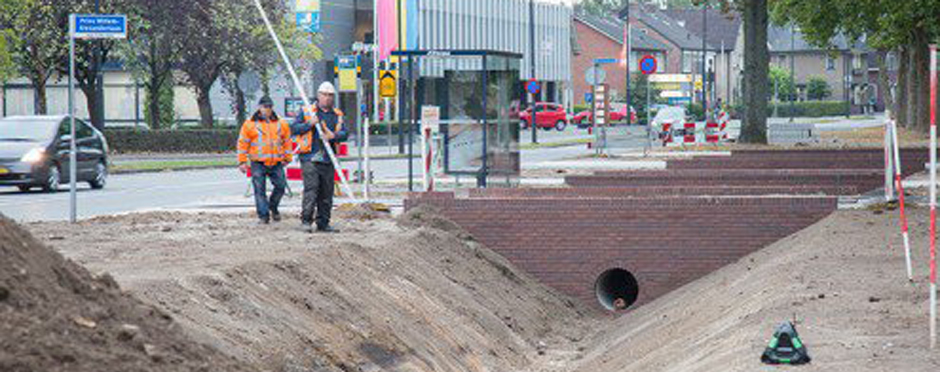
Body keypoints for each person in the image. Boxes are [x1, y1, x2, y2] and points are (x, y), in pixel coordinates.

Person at [291, 82, 347, 233]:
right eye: (324, 95)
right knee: (312, 189)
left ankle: (323, 222)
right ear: (318, 95)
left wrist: (333, 136)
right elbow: (294, 128)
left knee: (326, 192)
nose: (327, 98)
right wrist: (310, 124)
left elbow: (345, 133)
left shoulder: (337, 114)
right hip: (310, 157)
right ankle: (306, 221)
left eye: (330, 95)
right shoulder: (307, 111)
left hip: (328, 158)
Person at [237, 96, 292, 224]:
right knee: (259, 191)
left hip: (276, 162)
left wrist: (287, 157)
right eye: (265, 107)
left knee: (280, 187)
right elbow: (242, 143)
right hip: (258, 162)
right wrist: (242, 161)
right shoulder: (249, 124)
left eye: (269, 107)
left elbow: (287, 141)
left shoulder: (281, 123)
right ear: (259, 107)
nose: (267, 109)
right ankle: (263, 216)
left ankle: (272, 206)